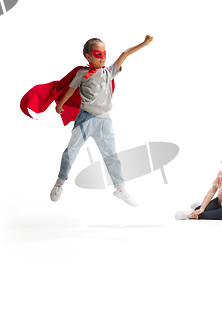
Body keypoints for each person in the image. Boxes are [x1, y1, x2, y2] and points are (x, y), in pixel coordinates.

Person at [49, 35, 153, 206]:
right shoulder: (82, 74)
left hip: (105, 121)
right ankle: (60, 183)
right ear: (88, 56)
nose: (103, 57)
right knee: (71, 152)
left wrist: (144, 43)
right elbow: (69, 91)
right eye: (98, 54)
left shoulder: (108, 72)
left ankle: (120, 188)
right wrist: (60, 104)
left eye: (105, 53)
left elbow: (125, 54)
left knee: (111, 155)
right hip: (86, 119)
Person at [175, 149, 222, 220]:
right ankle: (198, 206)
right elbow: (211, 192)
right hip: (220, 202)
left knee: (221, 213)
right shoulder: (221, 174)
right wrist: (202, 208)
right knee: (199, 209)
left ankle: (189, 215)